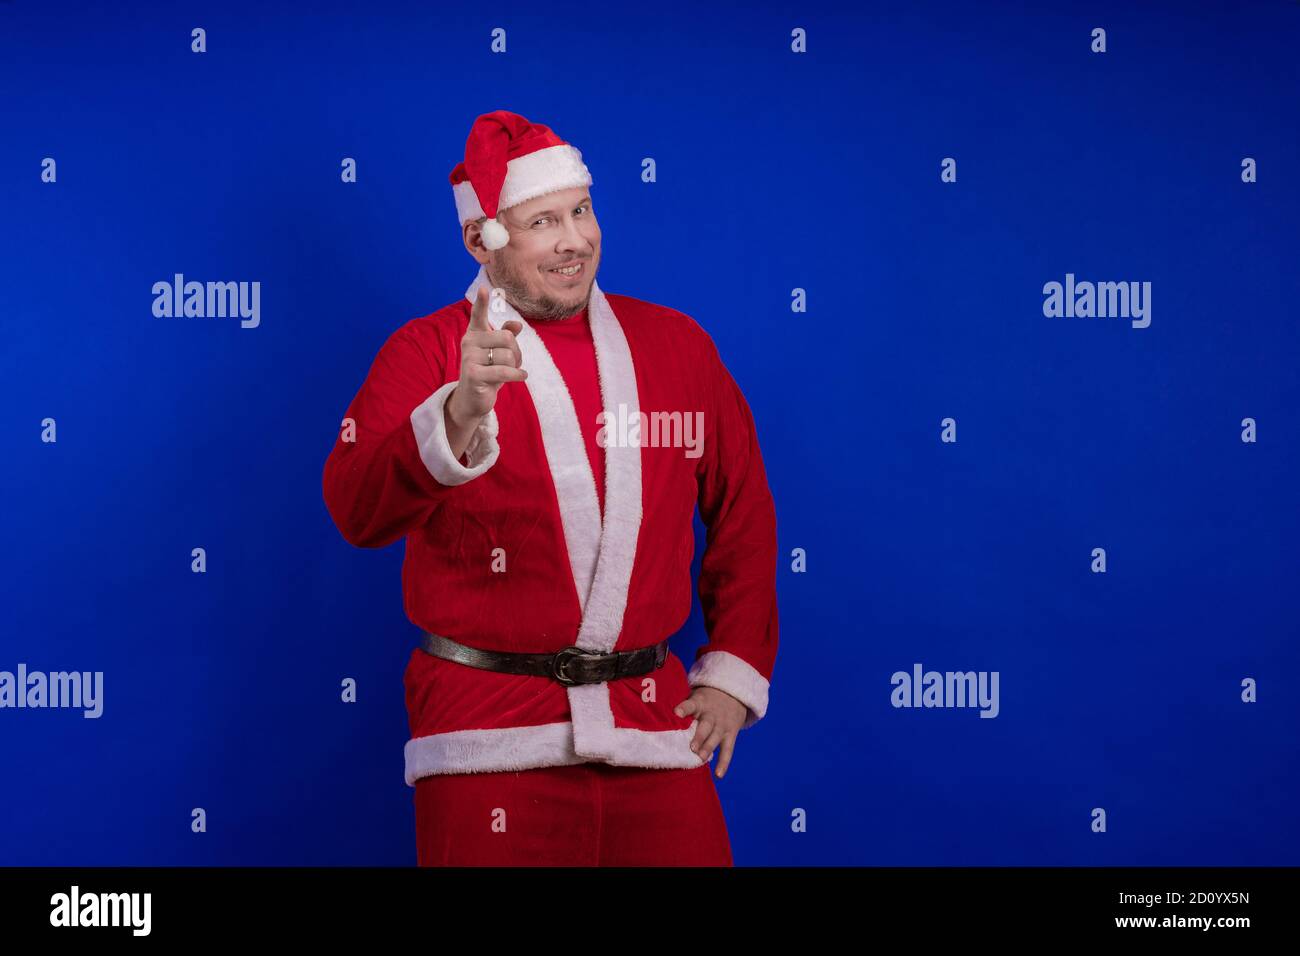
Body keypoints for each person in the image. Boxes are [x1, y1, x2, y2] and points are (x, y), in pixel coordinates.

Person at [322, 110, 779, 866]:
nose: (575, 239)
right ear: (482, 240)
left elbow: (745, 513)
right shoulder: (425, 350)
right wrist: (461, 411)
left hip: (652, 730)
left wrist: (733, 668)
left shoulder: (678, 345)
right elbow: (356, 510)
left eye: (582, 210)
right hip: (485, 739)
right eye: (543, 221)